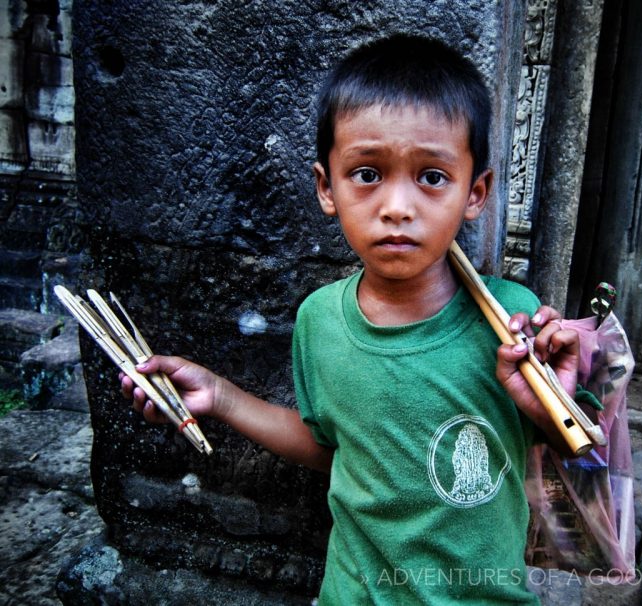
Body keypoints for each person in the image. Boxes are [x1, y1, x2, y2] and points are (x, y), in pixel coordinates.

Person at [121, 34, 582, 604]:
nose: (396, 206)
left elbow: (574, 459)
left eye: (432, 177)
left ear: (476, 192)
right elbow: (336, 447)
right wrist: (219, 396)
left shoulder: (512, 320)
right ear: (326, 188)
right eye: (367, 173)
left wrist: (555, 408)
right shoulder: (320, 322)